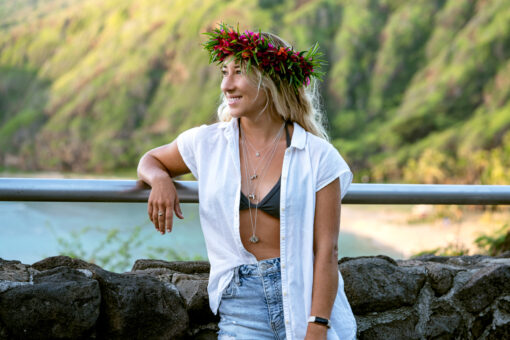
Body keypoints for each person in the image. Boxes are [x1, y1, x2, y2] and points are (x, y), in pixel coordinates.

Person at [137, 23, 356, 340]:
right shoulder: (207, 143)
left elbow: (327, 251)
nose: (227, 85)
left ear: (270, 81)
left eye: (238, 72)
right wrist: (159, 179)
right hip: (242, 308)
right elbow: (150, 160)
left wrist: (317, 324)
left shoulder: (318, 156)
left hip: (304, 296)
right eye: (224, 72)